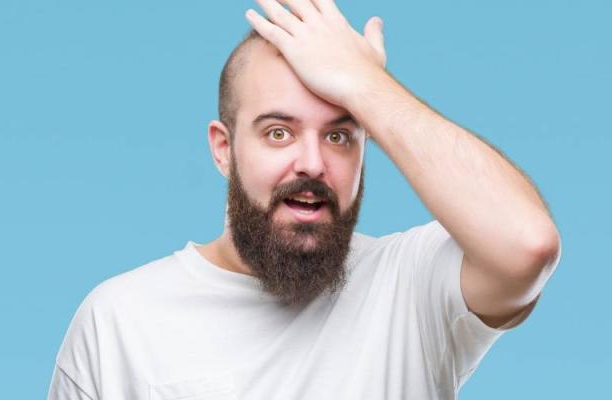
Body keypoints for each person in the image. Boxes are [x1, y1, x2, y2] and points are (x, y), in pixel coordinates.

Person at [48, 0, 562, 399]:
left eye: (339, 136)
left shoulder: (412, 285)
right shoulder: (120, 320)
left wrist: (366, 86)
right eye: (278, 133)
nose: (312, 164)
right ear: (223, 149)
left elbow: (527, 244)